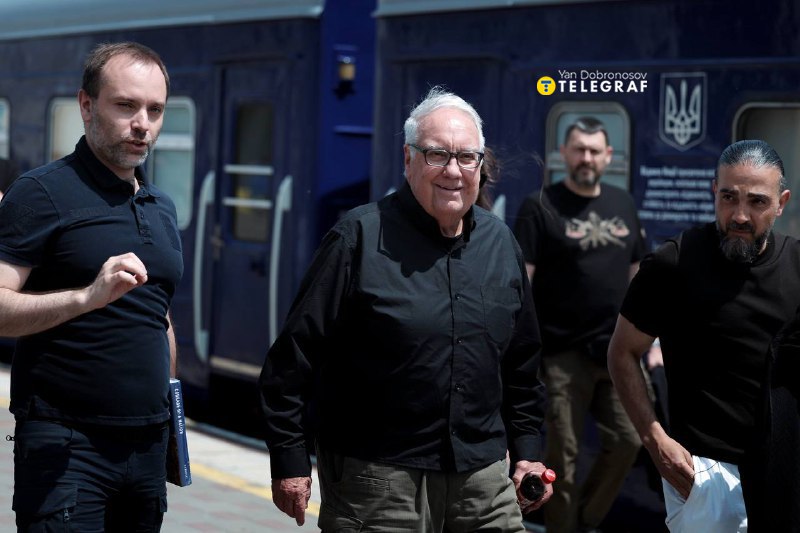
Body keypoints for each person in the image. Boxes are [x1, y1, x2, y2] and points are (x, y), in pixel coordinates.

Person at [259, 86, 551, 531]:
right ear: (408, 158)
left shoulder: (501, 243)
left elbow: (522, 363)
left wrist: (528, 452)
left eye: (466, 157)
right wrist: (290, 460)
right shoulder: (357, 237)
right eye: (437, 155)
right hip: (379, 482)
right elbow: (292, 359)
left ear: (480, 165)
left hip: (484, 482)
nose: (453, 170)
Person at [0, 42, 183, 530]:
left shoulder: (161, 206)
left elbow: (157, 312)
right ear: (86, 105)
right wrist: (87, 298)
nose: (142, 124)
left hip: (147, 446)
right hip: (67, 449)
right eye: (126, 105)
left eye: (155, 110)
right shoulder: (41, 192)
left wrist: (173, 415)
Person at [607, 139, 800, 532]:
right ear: (714, 191)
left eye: (757, 202)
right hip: (705, 475)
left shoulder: (798, 267)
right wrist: (655, 440)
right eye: (729, 197)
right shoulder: (673, 263)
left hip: (785, 474)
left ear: (781, 203)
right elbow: (622, 352)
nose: (740, 215)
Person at [513, 116, 645, 533]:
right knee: (562, 462)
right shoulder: (539, 206)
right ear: (564, 154)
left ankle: (583, 522)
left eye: (594, 150)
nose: (586, 157)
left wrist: (652, 341)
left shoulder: (623, 203)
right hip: (561, 356)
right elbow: (522, 283)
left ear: (608, 156)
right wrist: (522, 348)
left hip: (616, 351)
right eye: (579, 149)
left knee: (629, 440)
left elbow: (638, 274)